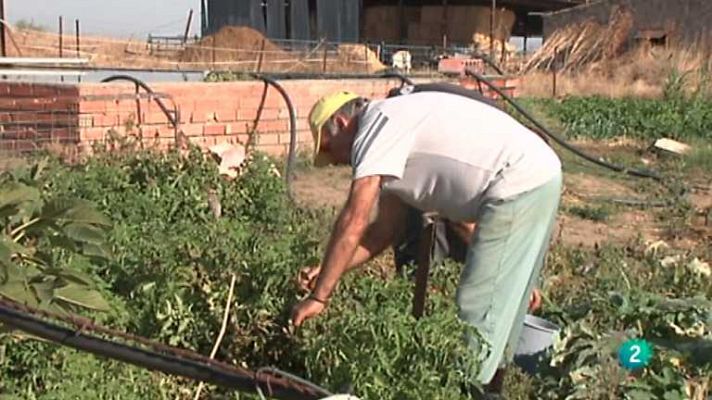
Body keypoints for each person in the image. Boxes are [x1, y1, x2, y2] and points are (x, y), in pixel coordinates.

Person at [290, 85, 562, 397]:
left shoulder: (378, 124)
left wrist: (319, 297)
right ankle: (490, 393)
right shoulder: (395, 137)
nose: (336, 162)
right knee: (498, 316)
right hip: (537, 174)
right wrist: (327, 271)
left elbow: (355, 220)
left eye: (329, 150)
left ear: (340, 122)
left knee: (474, 318)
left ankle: (463, 393)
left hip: (518, 180)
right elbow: (381, 233)